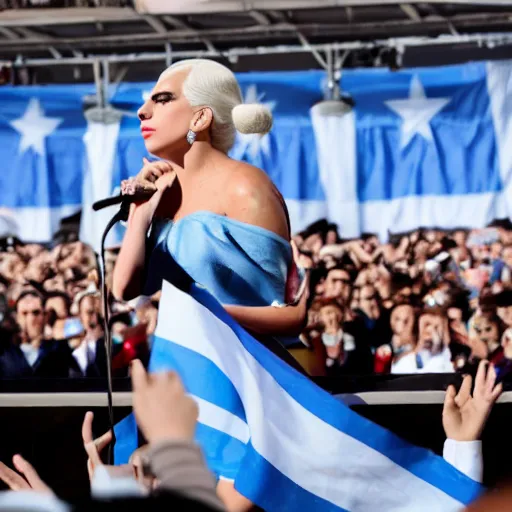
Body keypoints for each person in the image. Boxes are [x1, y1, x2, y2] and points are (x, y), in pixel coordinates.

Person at [112, 59, 308, 510]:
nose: (142, 111)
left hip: (242, 381)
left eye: (161, 99)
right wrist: (140, 213)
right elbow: (123, 288)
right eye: (145, 101)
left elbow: (286, 314)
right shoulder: (163, 193)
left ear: (200, 117)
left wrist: (194, 312)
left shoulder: (247, 188)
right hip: (177, 379)